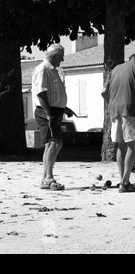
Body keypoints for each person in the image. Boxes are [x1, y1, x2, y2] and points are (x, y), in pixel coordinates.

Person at [101, 53, 135, 192]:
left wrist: (111, 104)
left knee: (120, 146)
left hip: (115, 110)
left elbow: (103, 92)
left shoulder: (115, 69)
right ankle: (125, 183)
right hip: (132, 109)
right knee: (132, 146)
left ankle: (122, 180)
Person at [32, 44, 75, 191]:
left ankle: (46, 178)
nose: (62, 59)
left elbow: (53, 94)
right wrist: (49, 113)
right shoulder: (42, 69)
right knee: (54, 143)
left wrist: (64, 108)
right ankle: (48, 177)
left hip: (55, 111)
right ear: (54, 55)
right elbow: (41, 93)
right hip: (46, 112)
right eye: (61, 56)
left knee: (52, 143)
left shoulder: (53, 70)